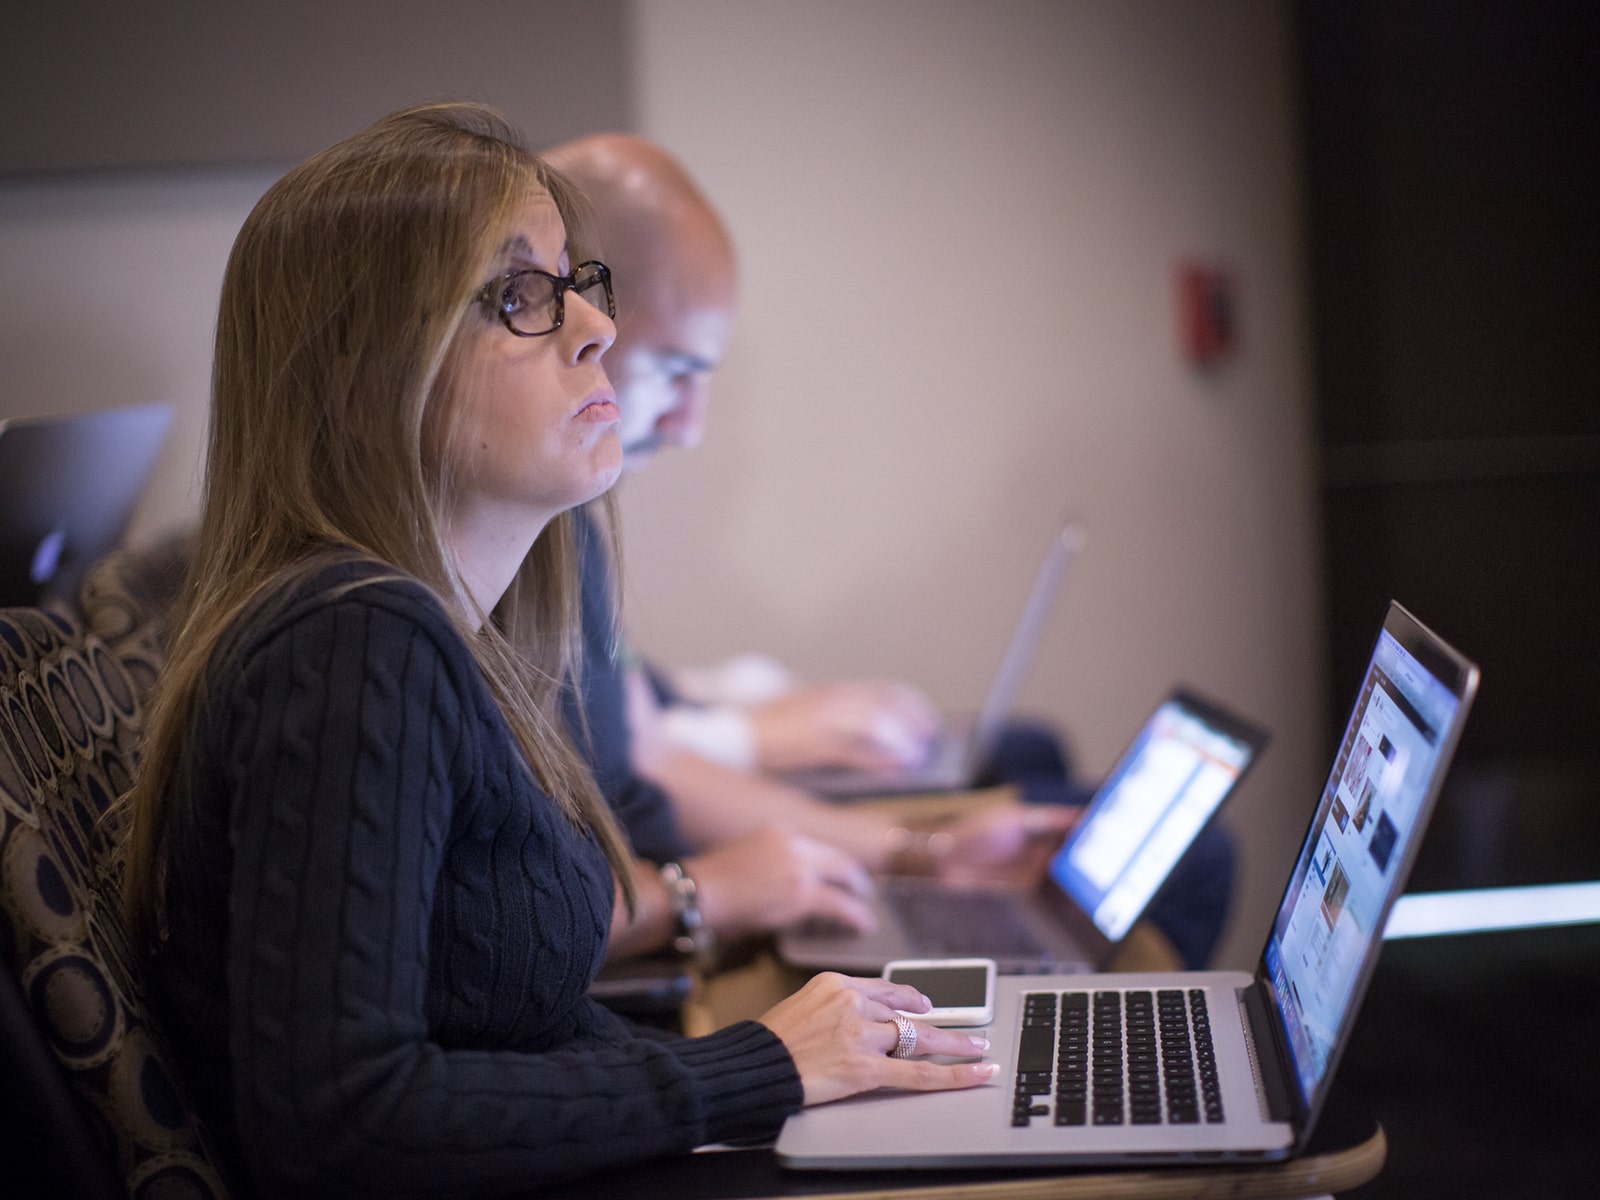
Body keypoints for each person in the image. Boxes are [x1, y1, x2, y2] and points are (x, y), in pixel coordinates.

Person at [116, 102, 996, 1198]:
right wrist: (757, 1068)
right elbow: (340, 1127)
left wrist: (788, 1065)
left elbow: (497, 1040)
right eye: (517, 297)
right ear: (368, 367)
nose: (595, 329)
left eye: (578, 282)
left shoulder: (446, 634)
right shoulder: (353, 645)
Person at [544, 134, 1234, 970]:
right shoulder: (522, 538)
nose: (690, 428)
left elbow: (646, 752)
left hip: (692, 892)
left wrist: (918, 852)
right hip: (679, 938)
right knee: (1195, 858)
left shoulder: (571, 526)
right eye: (675, 371)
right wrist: (712, 887)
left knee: (1036, 764)